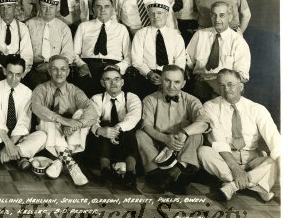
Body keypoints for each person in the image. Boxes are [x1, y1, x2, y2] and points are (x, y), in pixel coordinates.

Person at [198, 70, 279, 202]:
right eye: (221, 85)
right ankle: (259, 186)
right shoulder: (210, 106)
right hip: (225, 157)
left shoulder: (257, 109)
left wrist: (284, 168)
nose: (226, 89)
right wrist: (236, 169)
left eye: (230, 84)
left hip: (252, 157)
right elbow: (219, 142)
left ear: (241, 86)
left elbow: (275, 140)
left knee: (276, 159)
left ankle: (232, 186)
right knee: (203, 152)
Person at [136, 65, 209, 194]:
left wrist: (183, 132)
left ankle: (179, 171)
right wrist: (164, 138)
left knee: (196, 134)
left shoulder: (192, 100)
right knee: (140, 134)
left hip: (181, 145)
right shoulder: (149, 99)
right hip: (158, 141)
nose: (171, 86)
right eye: (167, 80)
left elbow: (204, 123)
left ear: (183, 83)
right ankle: (156, 174)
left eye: (177, 82)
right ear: (160, 80)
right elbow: (147, 126)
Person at [31, 55, 98, 186]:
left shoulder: (74, 90)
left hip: (68, 135)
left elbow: (92, 112)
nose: (59, 73)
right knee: (48, 116)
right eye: (55, 69)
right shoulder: (41, 89)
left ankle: (59, 161)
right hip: (48, 130)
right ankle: (73, 166)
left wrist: (75, 125)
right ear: (49, 71)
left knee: (82, 113)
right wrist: (62, 120)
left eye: (63, 69)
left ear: (68, 71)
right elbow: (36, 107)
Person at [0, 57, 47, 171]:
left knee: (42, 136)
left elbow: (24, 122)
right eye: (10, 73)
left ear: (23, 74)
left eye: (18, 74)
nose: (13, 79)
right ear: (4, 71)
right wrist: (8, 144)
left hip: (17, 138)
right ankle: (19, 157)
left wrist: (10, 145)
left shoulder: (27, 92)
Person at [186, 1, 251, 101]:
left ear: (229, 17)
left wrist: (214, 76)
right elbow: (187, 60)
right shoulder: (200, 35)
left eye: (222, 15)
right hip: (199, 85)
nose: (217, 19)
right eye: (214, 15)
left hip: (224, 86)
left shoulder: (238, 41)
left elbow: (243, 76)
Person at [88, 66, 141, 188]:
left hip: (125, 143)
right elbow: (91, 119)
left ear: (122, 82)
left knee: (128, 128)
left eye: (117, 79)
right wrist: (100, 130)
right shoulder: (96, 99)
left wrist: (117, 128)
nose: (113, 83)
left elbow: (134, 117)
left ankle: (130, 173)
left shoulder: (132, 97)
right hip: (102, 145)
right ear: (102, 83)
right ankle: (105, 171)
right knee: (105, 124)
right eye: (108, 79)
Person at [72, 0, 132, 96]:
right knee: (85, 96)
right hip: (88, 67)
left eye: (107, 6)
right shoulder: (84, 27)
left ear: (112, 9)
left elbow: (129, 56)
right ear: (93, 9)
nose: (102, 10)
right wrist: (82, 65)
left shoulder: (121, 29)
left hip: (113, 67)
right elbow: (74, 53)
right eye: (98, 6)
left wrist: (117, 67)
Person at [130, 2, 188, 98]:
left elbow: (180, 60)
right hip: (147, 76)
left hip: (171, 78)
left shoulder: (176, 36)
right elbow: (136, 60)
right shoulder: (141, 34)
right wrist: (149, 74)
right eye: (152, 13)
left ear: (167, 14)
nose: (156, 16)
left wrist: (170, 77)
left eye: (159, 13)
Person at [24, 0, 74, 87]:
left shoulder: (63, 28)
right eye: (44, 7)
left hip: (57, 66)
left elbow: (68, 54)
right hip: (34, 66)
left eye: (51, 7)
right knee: (37, 85)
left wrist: (50, 65)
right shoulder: (29, 24)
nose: (48, 11)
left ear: (56, 8)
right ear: (39, 7)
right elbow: (24, 50)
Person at [0, 0, 33, 83]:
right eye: (2, 7)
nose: (5, 11)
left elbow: (27, 54)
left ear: (15, 8)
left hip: (17, 65)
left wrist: (22, 72)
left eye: (9, 7)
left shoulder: (23, 27)